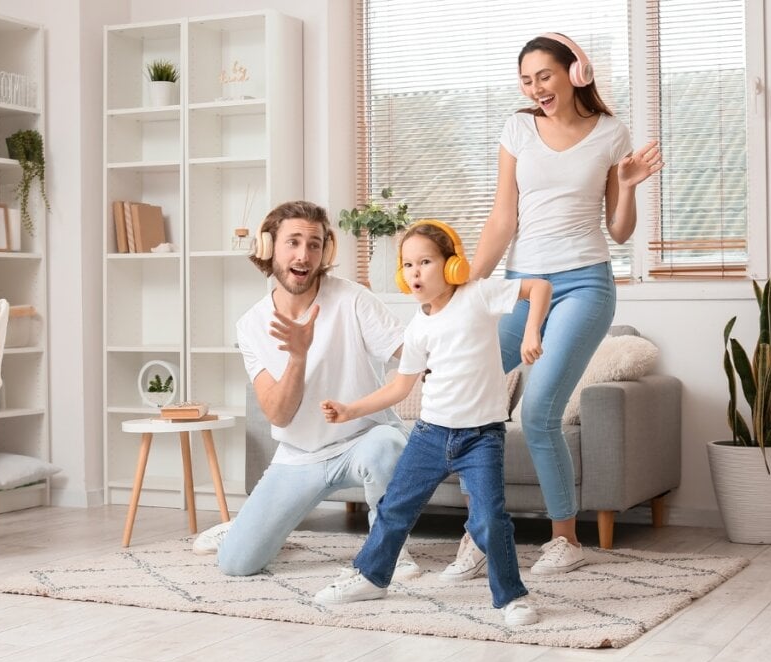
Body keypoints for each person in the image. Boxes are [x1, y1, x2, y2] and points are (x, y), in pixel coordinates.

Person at [442, 32, 664, 580]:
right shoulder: (518, 128)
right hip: (521, 285)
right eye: (526, 79)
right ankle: (479, 533)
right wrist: (468, 286)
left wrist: (630, 186)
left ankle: (565, 539)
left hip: (585, 285)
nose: (536, 88)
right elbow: (502, 219)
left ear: (575, 73)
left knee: (538, 411)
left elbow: (618, 229)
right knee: (464, 394)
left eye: (545, 75)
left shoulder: (611, 133)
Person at [313, 220, 552, 627]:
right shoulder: (418, 327)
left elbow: (539, 288)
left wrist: (532, 332)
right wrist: (350, 410)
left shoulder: (477, 295)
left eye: (425, 261)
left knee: (490, 519)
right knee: (393, 509)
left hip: (481, 437)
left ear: (452, 265)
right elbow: (400, 387)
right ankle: (371, 577)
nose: (415, 272)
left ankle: (511, 596)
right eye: (408, 265)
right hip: (430, 435)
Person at [191, 200, 419, 580]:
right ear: (269, 248)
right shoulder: (251, 325)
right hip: (301, 455)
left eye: (314, 244)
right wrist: (298, 356)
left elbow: (413, 354)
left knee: (388, 443)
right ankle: (246, 527)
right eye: (293, 242)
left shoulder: (353, 299)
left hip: (364, 439)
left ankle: (390, 547)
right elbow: (278, 415)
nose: (304, 254)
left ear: (326, 250)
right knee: (236, 563)